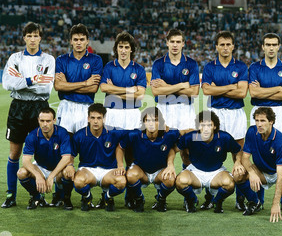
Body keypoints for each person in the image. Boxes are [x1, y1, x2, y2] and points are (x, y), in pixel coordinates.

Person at [1, 22, 55, 208]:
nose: (32, 39)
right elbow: (7, 83)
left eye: (36, 35)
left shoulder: (48, 60)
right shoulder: (15, 58)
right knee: (14, 153)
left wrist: (21, 81)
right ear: (24, 37)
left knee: (39, 154)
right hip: (18, 108)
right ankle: (10, 195)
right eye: (29, 35)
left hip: (39, 108)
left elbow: (45, 87)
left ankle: (37, 196)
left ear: (41, 38)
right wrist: (32, 79)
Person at [201, 30, 249, 211]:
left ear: (233, 46)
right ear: (216, 47)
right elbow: (206, 91)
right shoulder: (209, 67)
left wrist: (218, 88)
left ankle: (241, 198)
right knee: (211, 154)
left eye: (229, 44)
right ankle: (209, 196)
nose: (225, 47)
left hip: (236, 113)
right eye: (222, 44)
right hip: (215, 114)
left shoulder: (241, 67)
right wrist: (231, 87)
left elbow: (242, 92)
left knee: (239, 155)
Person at [236, 107, 282, 222]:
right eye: (257, 120)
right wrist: (252, 173)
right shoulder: (252, 132)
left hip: (280, 171)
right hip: (261, 170)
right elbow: (245, 158)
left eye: (262, 121)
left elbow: (280, 175)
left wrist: (275, 203)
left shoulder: (280, 140)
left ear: (271, 121)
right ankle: (254, 202)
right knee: (238, 175)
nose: (259, 124)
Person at [175, 111, 245, 213]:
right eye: (203, 125)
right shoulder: (191, 137)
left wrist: (238, 162)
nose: (206, 128)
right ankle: (192, 200)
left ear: (215, 127)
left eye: (209, 125)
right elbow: (177, 148)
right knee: (180, 181)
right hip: (195, 171)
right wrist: (177, 164)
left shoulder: (224, 137)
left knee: (229, 184)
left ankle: (218, 201)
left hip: (216, 172)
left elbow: (238, 150)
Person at [150, 28, 200, 168]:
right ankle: (163, 182)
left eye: (178, 42)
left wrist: (166, 86)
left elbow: (194, 92)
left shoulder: (191, 64)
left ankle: (188, 179)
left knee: (187, 149)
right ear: (167, 43)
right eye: (172, 42)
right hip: (164, 109)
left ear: (183, 43)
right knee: (162, 147)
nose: (175, 45)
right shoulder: (159, 64)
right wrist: (182, 85)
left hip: (185, 109)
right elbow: (155, 92)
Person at [69, 103, 127, 212]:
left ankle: (107, 198)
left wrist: (120, 165)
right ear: (88, 118)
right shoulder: (80, 135)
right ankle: (87, 197)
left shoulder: (113, 133)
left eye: (99, 118)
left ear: (104, 119)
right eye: (93, 118)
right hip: (88, 170)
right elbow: (71, 154)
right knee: (78, 182)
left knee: (121, 182)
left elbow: (132, 135)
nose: (96, 121)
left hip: (109, 170)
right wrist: (70, 165)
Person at [120, 107, 180, 212]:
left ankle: (161, 199)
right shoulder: (134, 135)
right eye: (148, 120)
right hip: (141, 171)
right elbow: (120, 147)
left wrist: (170, 163)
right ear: (143, 122)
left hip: (159, 172)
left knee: (170, 178)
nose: (151, 123)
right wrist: (121, 164)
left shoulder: (169, 134)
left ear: (160, 122)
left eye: (155, 120)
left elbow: (186, 136)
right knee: (130, 175)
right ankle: (139, 200)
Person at [16, 107, 74, 210]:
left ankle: (65, 198)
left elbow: (66, 158)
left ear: (54, 121)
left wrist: (51, 176)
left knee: (68, 173)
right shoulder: (33, 136)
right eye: (42, 121)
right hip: (41, 167)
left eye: (48, 121)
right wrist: (38, 175)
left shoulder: (62, 133)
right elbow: (25, 160)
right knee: (21, 173)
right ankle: (36, 197)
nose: (45, 124)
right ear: (38, 120)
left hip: (58, 167)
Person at [54, 23, 103, 135]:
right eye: (75, 39)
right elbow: (58, 86)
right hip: (66, 106)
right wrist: (86, 83)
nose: (79, 42)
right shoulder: (61, 60)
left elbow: (93, 88)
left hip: (86, 107)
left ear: (87, 41)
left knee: (85, 147)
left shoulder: (96, 60)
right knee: (66, 147)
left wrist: (67, 86)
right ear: (71, 41)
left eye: (82, 39)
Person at [248, 33, 282, 141]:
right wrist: (279, 88)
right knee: (260, 149)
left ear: (279, 46)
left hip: (281, 112)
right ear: (263, 47)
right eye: (268, 45)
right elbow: (254, 93)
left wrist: (262, 91)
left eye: (274, 45)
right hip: (260, 111)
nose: (271, 48)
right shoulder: (254, 67)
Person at [100, 31, 147, 130]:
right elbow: (104, 87)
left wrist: (113, 90)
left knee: (132, 145)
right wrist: (129, 90)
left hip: (132, 112)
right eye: (120, 47)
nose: (123, 50)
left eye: (126, 47)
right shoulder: (109, 66)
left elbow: (140, 95)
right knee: (111, 144)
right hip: (112, 111)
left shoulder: (139, 69)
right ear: (116, 49)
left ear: (131, 49)